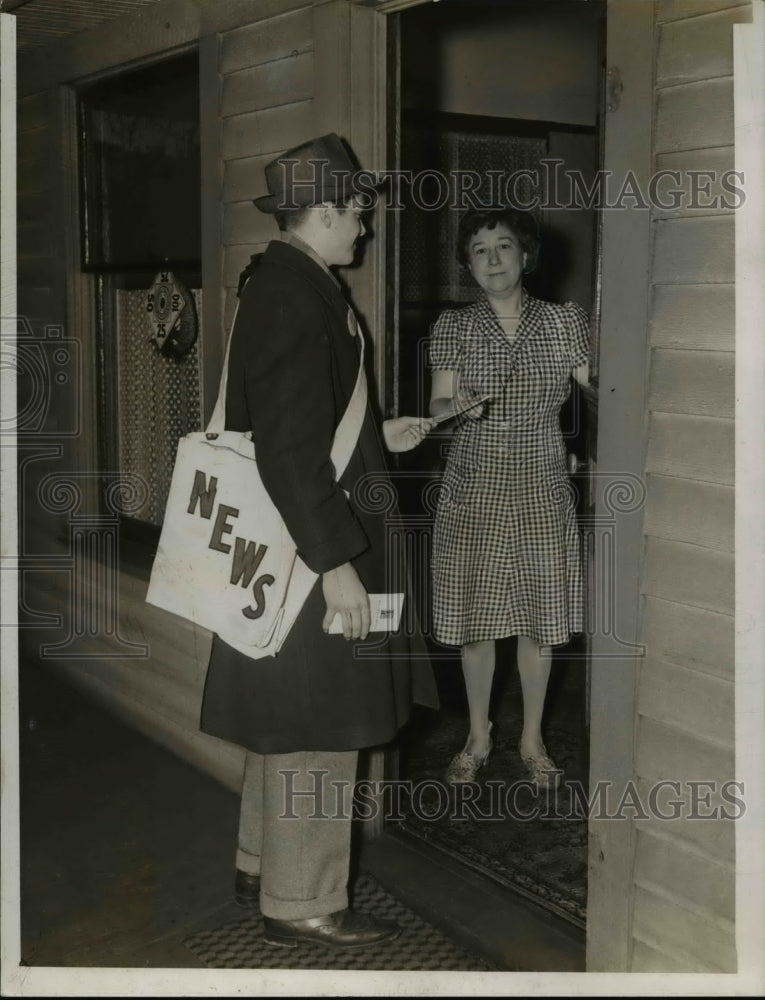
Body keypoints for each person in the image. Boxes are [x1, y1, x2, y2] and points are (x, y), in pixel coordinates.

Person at [200, 133, 437, 950]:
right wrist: (336, 566)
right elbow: (290, 449)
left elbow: (301, 422)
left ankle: (259, 862)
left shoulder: (285, 281)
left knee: (285, 719)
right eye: (359, 216)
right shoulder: (297, 296)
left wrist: (379, 434)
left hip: (289, 536)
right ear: (327, 211)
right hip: (313, 548)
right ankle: (300, 902)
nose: (365, 232)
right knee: (320, 725)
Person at [428, 206, 589, 788]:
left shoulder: (564, 321)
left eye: (503, 246)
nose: (492, 259)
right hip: (475, 483)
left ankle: (532, 738)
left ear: (525, 256)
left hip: (543, 482)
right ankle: (478, 734)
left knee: (540, 620)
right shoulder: (454, 326)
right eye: (479, 250)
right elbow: (440, 411)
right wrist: (456, 404)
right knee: (477, 620)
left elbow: (600, 387)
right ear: (468, 265)